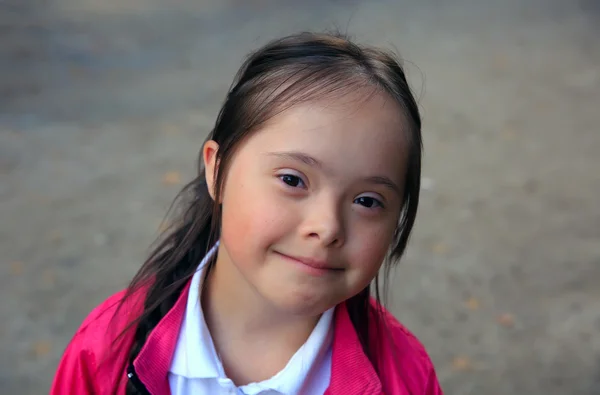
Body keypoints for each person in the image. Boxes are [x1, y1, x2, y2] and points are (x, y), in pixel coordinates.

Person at [50, 31, 443, 395]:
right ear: (217, 171)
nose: (326, 228)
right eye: (292, 179)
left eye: (367, 201)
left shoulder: (405, 377)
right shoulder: (106, 350)